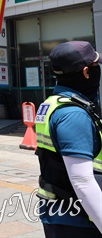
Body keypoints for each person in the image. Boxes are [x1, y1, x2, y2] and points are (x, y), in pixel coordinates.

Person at [35, 41, 102, 236]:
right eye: (95, 66)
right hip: (78, 220)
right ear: (86, 73)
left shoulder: (52, 103)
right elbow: (82, 180)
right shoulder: (73, 114)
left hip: (60, 213)